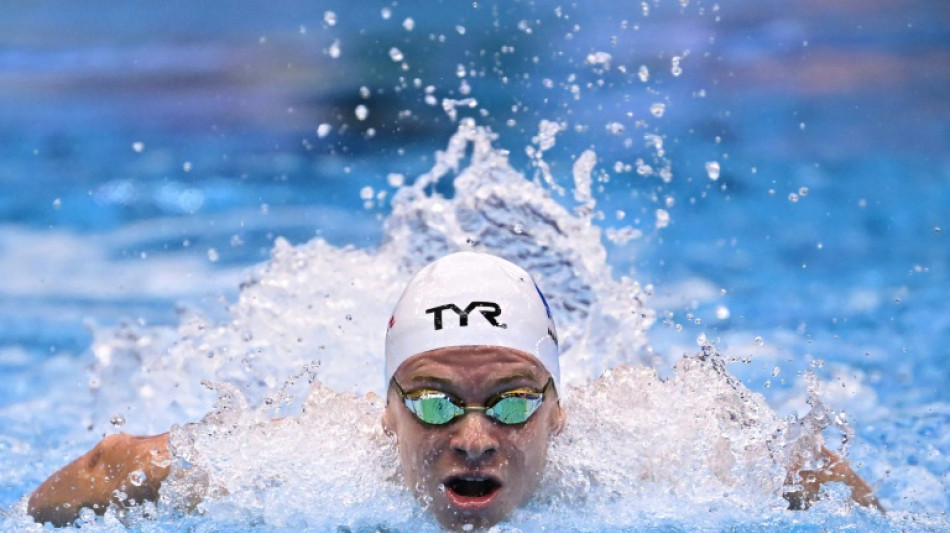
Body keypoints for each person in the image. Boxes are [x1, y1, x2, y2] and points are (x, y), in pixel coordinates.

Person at [27, 251, 882, 529]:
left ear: (558, 409)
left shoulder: (653, 453)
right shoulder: (305, 467)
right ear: (387, 410)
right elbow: (112, 464)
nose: (474, 436)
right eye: (435, 401)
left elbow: (801, 467)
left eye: (511, 400)